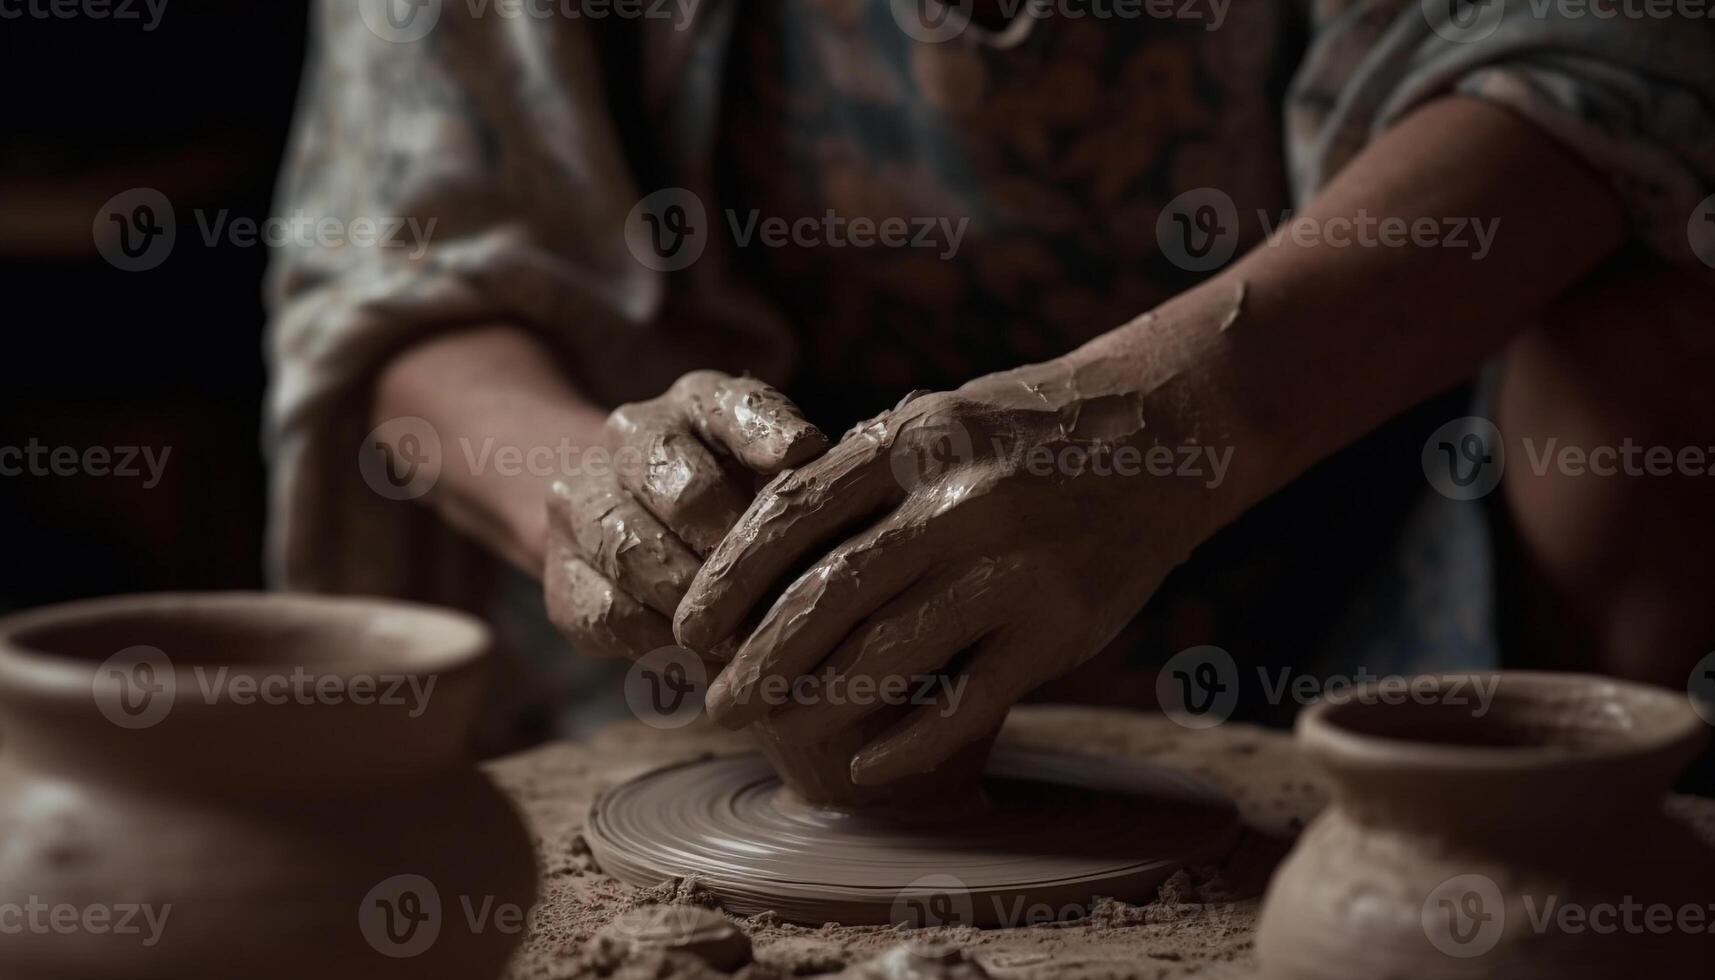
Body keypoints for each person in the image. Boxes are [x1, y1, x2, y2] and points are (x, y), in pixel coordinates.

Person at [267, 1, 1715, 769]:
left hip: (1347, 554)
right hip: (748, 662)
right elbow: (400, 273)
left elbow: (1610, 56)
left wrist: (1169, 422)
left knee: (1657, 340)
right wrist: (587, 492)